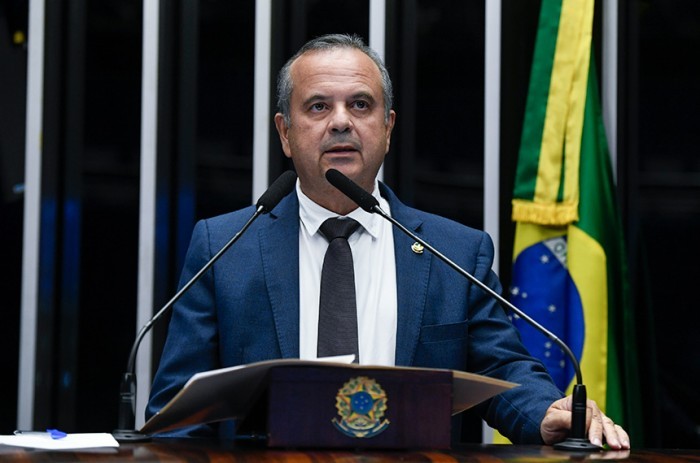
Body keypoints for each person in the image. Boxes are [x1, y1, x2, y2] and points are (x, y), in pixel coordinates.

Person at [147, 33, 630, 449]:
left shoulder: (456, 252)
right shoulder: (225, 247)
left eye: (361, 105)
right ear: (285, 133)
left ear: (388, 127)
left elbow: (504, 369)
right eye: (318, 106)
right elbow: (178, 414)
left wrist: (546, 413)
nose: (341, 122)